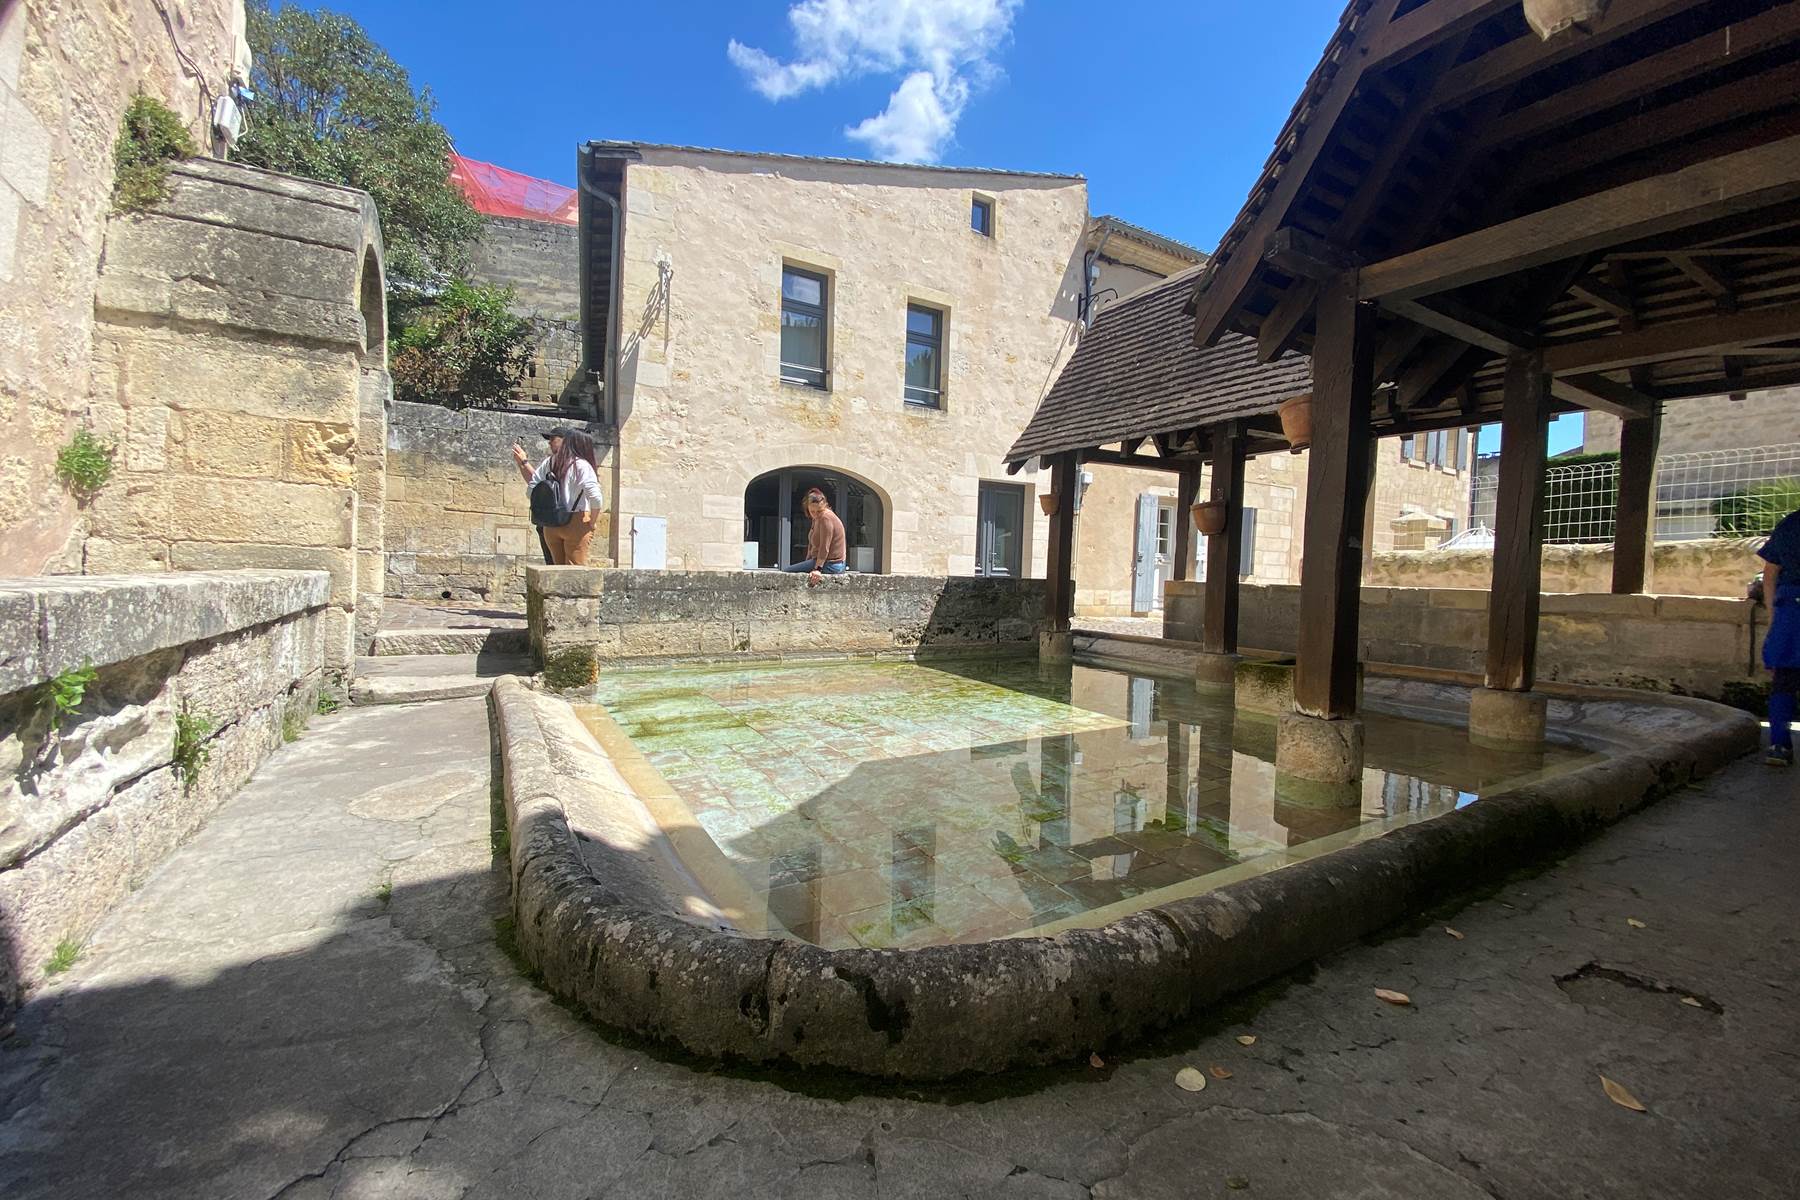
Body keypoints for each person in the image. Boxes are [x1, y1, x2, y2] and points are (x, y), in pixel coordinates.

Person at [511, 426, 605, 565]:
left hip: (551, 524)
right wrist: (592, 522)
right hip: (576, 520)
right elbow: (596, 498)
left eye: (552, 439)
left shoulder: (549, 462)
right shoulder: (582, 465)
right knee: (574, 572)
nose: (549, 442)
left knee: (555, 571)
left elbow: (531, 491)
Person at [1758, 504, 1800, 766]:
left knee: (1784, 679)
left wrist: (1773, 614)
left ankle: (1778, 745)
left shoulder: (1790, 524)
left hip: (1791, 608)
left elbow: (1770, 573)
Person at [783, 486, 848, 585]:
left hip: (832, 564)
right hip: (823, 561)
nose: (815, 514)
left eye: (818, 511)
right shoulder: (817, 519)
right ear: (807, 507)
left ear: (824, 506)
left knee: (786, 573)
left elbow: (824, 547)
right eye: (812, 511)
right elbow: (812, 545)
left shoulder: (825, 518)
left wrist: (817, 569)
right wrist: (807, 562)